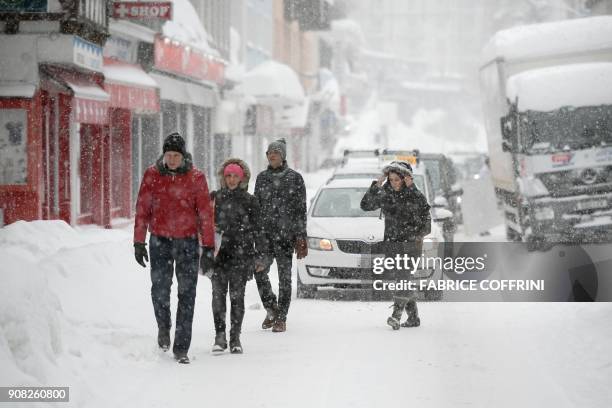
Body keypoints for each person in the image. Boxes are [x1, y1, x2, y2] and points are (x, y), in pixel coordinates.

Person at [133, 132, 214, 364]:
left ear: (183, 155)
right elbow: (142, 209)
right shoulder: (152, 174)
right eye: (168, 154)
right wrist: (138, 241)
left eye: (176, 155)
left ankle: (181, 347)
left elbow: (205, 214)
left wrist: (208, 247)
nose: (171, 159)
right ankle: (163, 326)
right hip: (160, 240)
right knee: (159, 289)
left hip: (187, 242)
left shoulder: (196, 178)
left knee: (187, 293)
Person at [360, 161, 431, 330]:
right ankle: (413, 318)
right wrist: (377, 183)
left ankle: (396, 316)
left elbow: (425, 212)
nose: (393, 183)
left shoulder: (414, 195)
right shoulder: (386, 193)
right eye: (390, 179)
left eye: (396, 179)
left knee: (403, 279)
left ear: (405, 179)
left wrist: (412, 187)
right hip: (392, 243)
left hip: (411, 244)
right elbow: (365, 205)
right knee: (402, 279)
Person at [210, 159, 267, 354]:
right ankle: (219, 336)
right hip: (218, 256)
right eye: (228, 176)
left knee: (237, 297)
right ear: (223, 178)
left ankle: (235, 337)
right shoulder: (214, 198)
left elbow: (259, 230)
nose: (231, 179)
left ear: (242, 178)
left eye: (235, 176)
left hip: (241, 256)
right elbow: (203, 226)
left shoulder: (250, 201)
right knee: (218, 296)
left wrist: (261, 256)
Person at [253, 138, 308, 332]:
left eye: (276, 152)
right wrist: (254, 233)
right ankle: (271, 308)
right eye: (270, 152)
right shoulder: (261, 178)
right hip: (264, 238)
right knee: (259, 272)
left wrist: (301, 236)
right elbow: (256, 208)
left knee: (285, 279)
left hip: (286, 237)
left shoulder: (295, 178)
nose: (272, 155)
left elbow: (301, 210)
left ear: (283, 156)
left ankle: (281, 317)